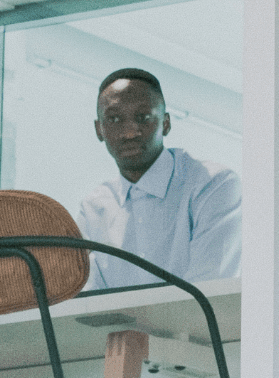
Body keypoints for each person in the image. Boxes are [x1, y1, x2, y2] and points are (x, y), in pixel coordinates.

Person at [74, 68, 241, 291]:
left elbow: (208, 291)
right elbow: (87, 302)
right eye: (114, 119)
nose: (129, 132)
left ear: (166, 123)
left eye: (143, 117)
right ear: (99, 130)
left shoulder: (213, 185)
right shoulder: (93, 208)